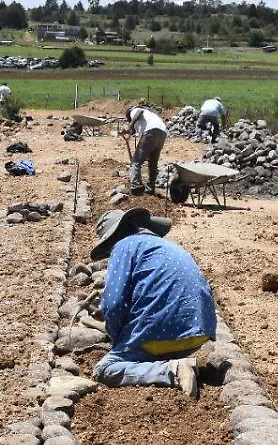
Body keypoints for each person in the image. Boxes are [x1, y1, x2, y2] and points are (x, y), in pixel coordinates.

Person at [90, 207, 216, 398]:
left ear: (113, 237)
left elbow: (113, 304)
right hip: (199, 332)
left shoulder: (124, 245)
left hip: (162, 334)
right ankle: (171, 360)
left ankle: (171, 371)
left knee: (105, 369)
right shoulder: (168, 246)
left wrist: (117, 340)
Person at [122, 106, 168, 195]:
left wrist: (129, 126)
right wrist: (128, 131)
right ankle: (150, 188)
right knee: (152, 163)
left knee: (136, 161)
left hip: (150, 131)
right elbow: (134, 131)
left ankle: (136, 186)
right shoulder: (149, 116)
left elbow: (139, 112)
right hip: (162, 132)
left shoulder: (134, 111)